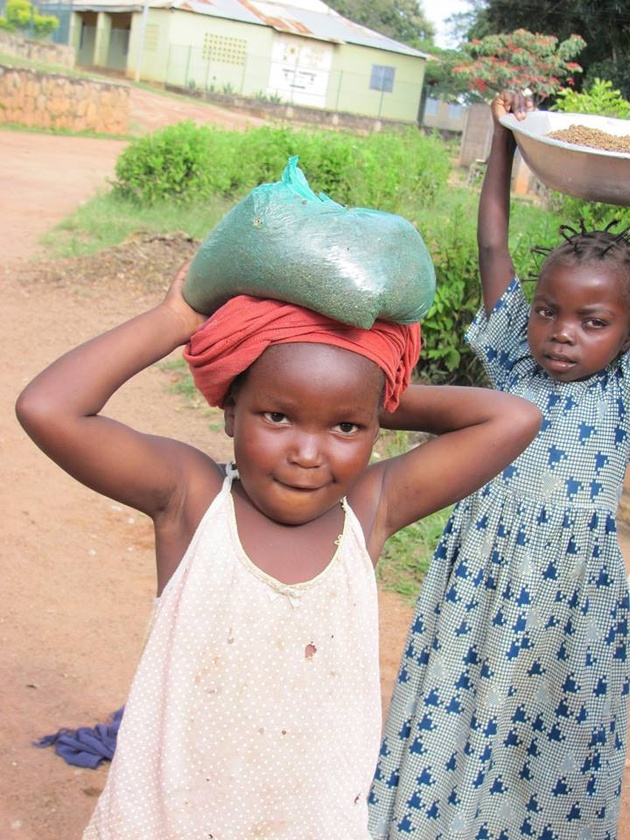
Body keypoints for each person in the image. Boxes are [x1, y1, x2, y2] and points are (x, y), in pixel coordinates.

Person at [15, 261, 540, 840]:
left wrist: (366, 386)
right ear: (230, 409)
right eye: (278, 415)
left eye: (345, 429)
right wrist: (173, 320)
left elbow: (514, 417)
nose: (309, 453)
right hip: (172, 821)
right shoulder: (191, 500)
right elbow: (49, 409)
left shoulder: (370, 508)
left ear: (376, 426)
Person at [368, 89, 630, 840]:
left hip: (570, 594)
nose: (562, 333)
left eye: (594, 321)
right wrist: (508, 140)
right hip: (482, 565)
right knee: (459, 700)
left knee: (547, 730)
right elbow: (493, 248)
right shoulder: (515, 351)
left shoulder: (621, 386)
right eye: (550, 309)